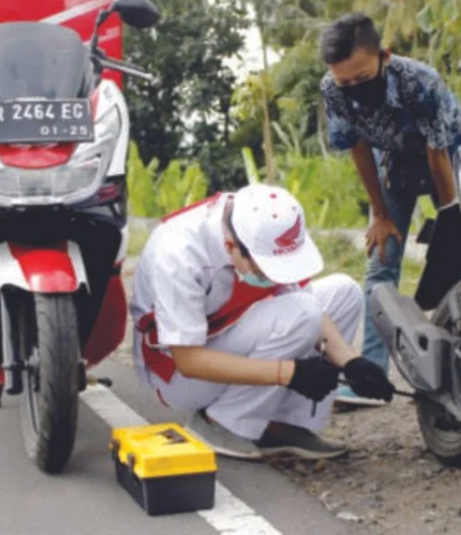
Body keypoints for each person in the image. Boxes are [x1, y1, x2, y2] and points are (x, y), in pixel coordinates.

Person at [130, 184, 396, 460]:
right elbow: (188, 360)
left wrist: (352, 363)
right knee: (301, 316)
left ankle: (284, 424)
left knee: (345, 292)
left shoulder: (262, 226)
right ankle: (222, 424)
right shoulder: (177, 252)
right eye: (267, 270)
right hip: (176, 374)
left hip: (225, 333)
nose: (276, 278)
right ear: (231, 247)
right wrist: (290, 374)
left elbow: (308, 303)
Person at [319, 13, 461, 407]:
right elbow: (358, 147)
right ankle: (369, 379)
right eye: (344, 82)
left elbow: (438, 153)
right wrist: (380, 215)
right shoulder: (333, 89)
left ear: (384, 56)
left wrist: (452, 218)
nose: (353, 89)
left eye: (362, 78)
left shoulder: (419, 81)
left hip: (449, 160)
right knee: (381, 260)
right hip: (395, 163)